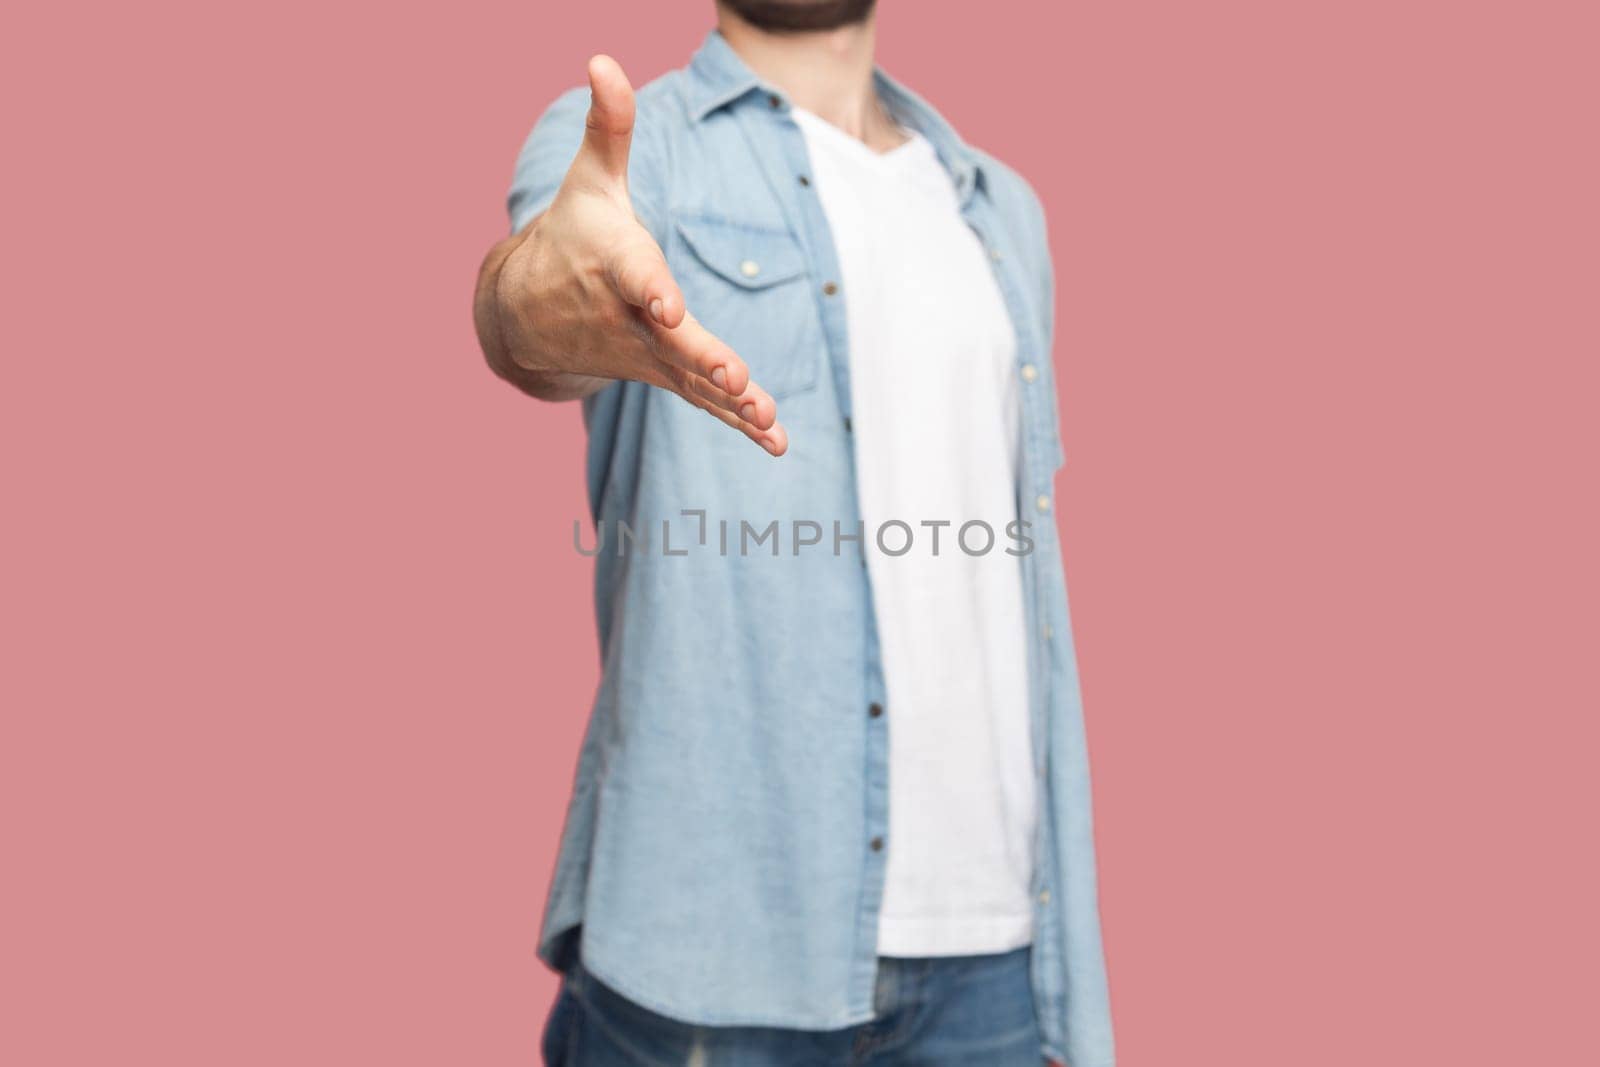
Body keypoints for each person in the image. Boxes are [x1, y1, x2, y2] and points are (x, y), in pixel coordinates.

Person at [472, 2, 1114, 1064]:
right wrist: (543, 297)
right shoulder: (635, 149)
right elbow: (530, 313)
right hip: (709, 950)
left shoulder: (998, 209)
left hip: (995, 954)